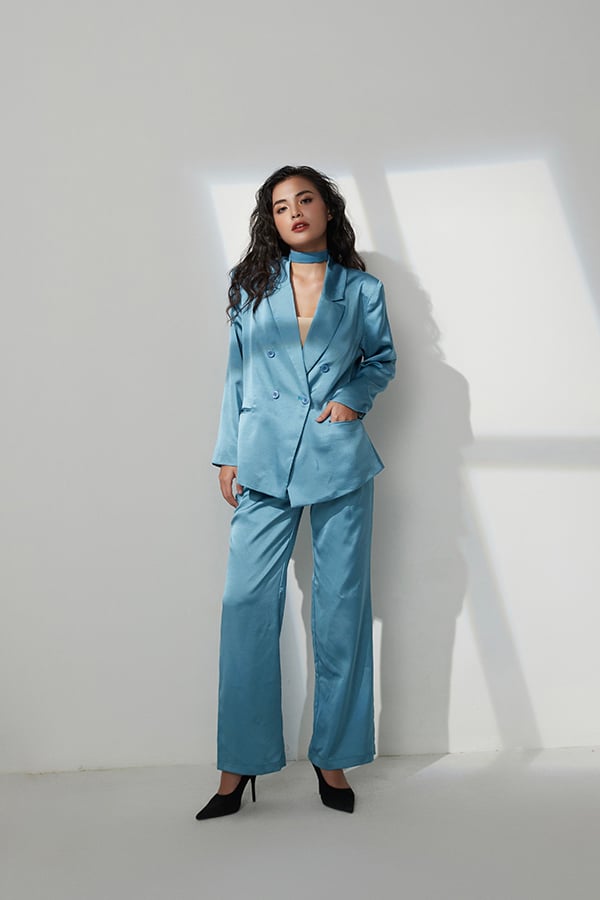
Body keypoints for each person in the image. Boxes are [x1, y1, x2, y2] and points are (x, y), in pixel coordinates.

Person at [195, 165, 396, 819]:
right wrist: (228, 452)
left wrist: (352, 396)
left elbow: (381, 359)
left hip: (338, 459)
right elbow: (236, 374)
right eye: (281, 206)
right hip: (262, 457)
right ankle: (238, 764)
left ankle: (333, 757)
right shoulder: (250, 285)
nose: (294, 212)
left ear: (327, 210)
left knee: (340, 611)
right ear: (272, 221)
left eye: (305, 200)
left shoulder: (361, 290)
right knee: (246, 606)